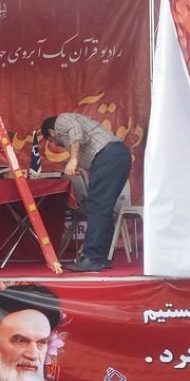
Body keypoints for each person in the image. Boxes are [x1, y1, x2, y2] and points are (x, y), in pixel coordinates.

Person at [40, 113, 132, 272]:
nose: (55, 145)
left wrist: (73, 159)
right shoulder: (73, 142)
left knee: (97, 206)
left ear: (52, 132)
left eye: (51, 141)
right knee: (103, 207)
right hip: (116, 157)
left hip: (109, 156)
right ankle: (101, 258)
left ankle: (91, 257)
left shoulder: (62, 120)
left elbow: (75, 129)